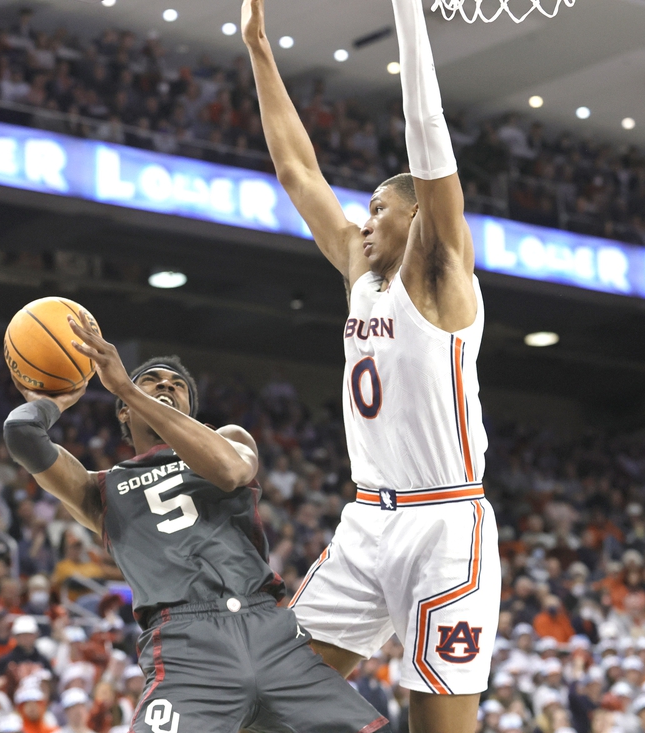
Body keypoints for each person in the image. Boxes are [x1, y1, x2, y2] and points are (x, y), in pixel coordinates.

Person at [244, 0, 498, 730]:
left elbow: (429, 139)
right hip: (367, 521)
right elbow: (297, 171)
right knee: (264, 702)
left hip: (445, 525)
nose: (363, 218)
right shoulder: (361, 269)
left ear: (418, 217)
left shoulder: (445, 277)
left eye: (378, 206)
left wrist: (408, 14)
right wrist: (259, 48)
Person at [2, 314, 390, 733]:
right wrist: (60, 394)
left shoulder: (229, 438)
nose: (166, 384)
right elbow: (22, 432)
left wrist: (130, 389)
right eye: (152, 379)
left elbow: (229, 471)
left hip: (272, 635)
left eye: (177, 384)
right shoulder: (101, 490)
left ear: (193, 414)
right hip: (185, 647)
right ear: (122, 414)